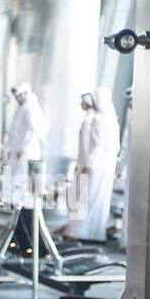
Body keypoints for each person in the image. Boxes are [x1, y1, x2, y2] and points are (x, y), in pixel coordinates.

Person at [63, 88, 120, 242]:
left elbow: (96, 145)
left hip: (94, 165)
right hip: (104, 167)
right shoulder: (112, 121)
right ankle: (90, 232)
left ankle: (80, 232)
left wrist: (87, 164)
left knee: (86, 199)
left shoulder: (98, 120)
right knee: (94, 200)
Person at [6, 83, 48, 207]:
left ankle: (20, 207)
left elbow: (35, 130)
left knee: (22, 180)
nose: (17, 98)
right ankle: (14, 205)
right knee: (15, 180)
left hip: (24, 153)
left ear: (25, 94)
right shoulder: (23, 108)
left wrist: (24, 148)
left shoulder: (30, 108)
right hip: (17, 150)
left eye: (19, 95)